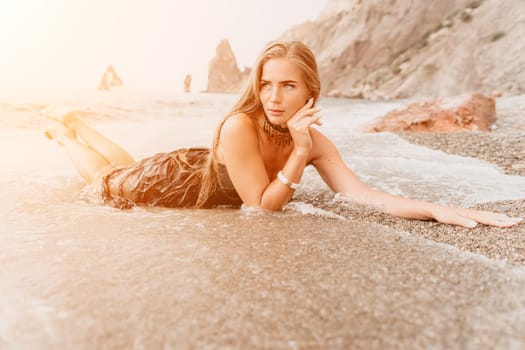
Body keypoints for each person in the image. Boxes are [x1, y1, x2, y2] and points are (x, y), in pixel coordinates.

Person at [44, 41, 522, 228]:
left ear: (309, 92)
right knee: (107, 180)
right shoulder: (238, 125)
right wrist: (298, 154)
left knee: (123, 165)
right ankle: (69, 134)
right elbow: (261, 206)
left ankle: (77, 125)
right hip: (175, 183)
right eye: (266, 84)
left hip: (206, 173)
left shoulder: (314, 140)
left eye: (287, 86)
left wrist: (433, 210)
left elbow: (362, 195)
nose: (273, 96)